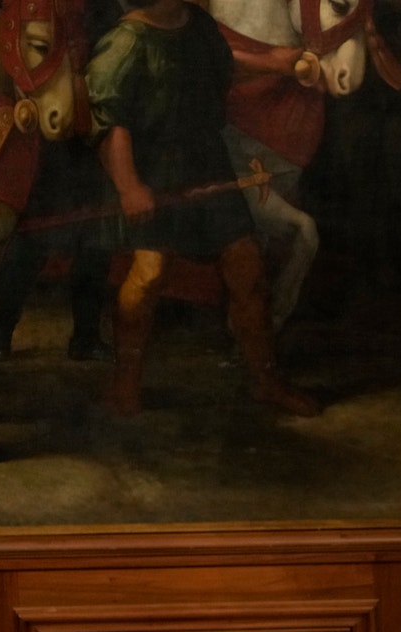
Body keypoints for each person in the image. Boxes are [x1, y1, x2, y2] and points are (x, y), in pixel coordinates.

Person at [84, 0, 320, 416]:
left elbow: (223, 67)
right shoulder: (126, 42)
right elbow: (108, 124)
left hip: (208, 164)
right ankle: (124, 385)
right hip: (153, 173)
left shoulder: (197, 26)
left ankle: (266, 380)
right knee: (149, 273)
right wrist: (129, 186)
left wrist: (275, 64)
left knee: (247, 267)